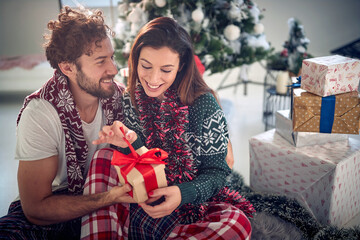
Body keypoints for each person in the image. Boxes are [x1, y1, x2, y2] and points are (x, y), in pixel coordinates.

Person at [81, 17, 254, 240]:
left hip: (194, 203)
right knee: (103, 157)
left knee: (237, 224)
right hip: (144, 200)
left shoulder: (204, 105)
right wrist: (129, 142)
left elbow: (217, 173)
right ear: (135, 60)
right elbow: (141, 165)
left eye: (166, 69)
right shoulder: (131, 98)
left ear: (181, 66)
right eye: (146, 66)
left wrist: (183, 194)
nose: (153, 79)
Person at [0, 6, 136, 239]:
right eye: (101, 61)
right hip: (54, 210)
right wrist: (108, 198)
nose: (113, 69)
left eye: (112, 57)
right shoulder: (40, 113)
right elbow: (35, 209)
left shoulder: (120, 98)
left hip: (111, 196)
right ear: (67, 67)